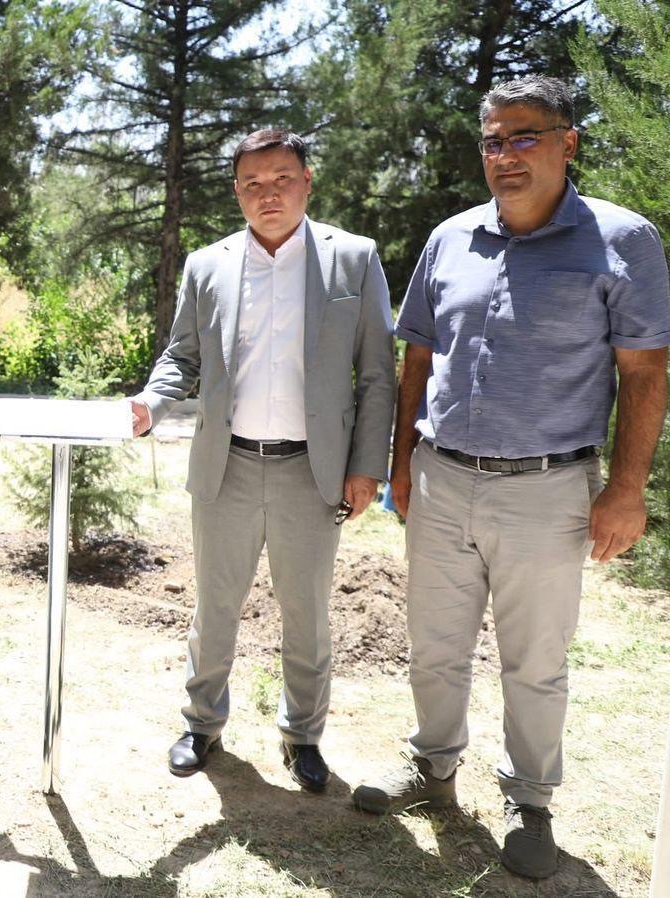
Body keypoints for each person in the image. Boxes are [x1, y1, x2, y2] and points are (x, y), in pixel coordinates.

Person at [352, 76, 670, 879]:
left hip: (547, 489)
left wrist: (625, 489)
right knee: (434, 643)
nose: (506, 155)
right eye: (493, 140)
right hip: (441, 476)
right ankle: (432, 766)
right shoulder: (449, 238)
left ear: (569, 142)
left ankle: (529, 798)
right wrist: (400, 466)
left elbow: (644, 370)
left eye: (526, 136)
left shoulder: (622, 240)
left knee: (534, 659)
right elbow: (418, 358)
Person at [129, 129, 397, 791]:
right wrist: (150, 402)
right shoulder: (208, 265)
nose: (267, 194)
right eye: (252, 183)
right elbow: (182, 356)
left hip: (314, 470)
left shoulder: (354, 259)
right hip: (228, 466)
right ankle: (201, 725)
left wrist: (367, 466)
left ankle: (303, 736)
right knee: (215, 605)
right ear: (236, 191)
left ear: (307, 182)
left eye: (281, 179)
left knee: (306, 613)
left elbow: (377, 373)